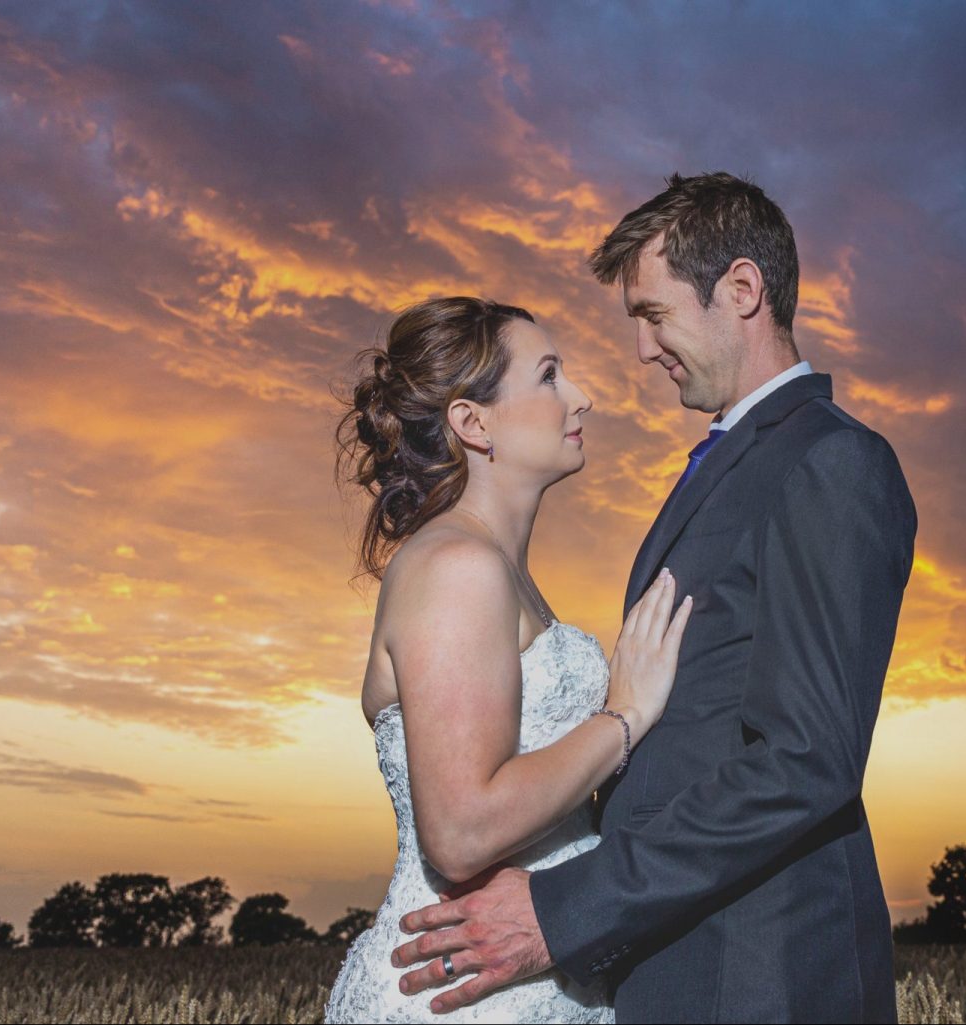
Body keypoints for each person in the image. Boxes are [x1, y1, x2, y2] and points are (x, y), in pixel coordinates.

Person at [389, 172, 917, 1023]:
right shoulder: (729, 465)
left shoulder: (828, 460)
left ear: (741, 290)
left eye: (654, 314)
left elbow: (805, 758)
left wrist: (565, 908)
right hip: (674, 970)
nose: (641, 350)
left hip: (762, 977)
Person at [323, 296, 693, 1023]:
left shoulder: (498, 568)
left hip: (529, 974)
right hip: (464, 995)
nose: (580, 396)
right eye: (549, 376)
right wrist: (624, 718)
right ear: (473, 423)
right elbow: (462, 831)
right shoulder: (457, 566)